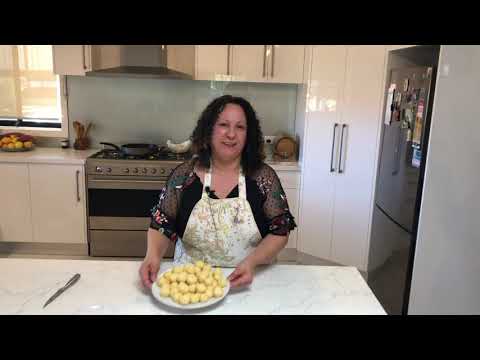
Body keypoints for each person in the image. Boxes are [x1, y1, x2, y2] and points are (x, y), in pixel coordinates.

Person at [139, 95, 297, 289]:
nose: (231, 134)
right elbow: (161, 225)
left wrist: (251, 263)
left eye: (240, 127)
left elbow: (280, 232)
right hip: (190, 282)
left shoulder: (263, 178)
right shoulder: (183, 176)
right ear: (209, 130)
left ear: (248, 135)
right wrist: (152, 257)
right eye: (223, 124)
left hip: (250, 281)